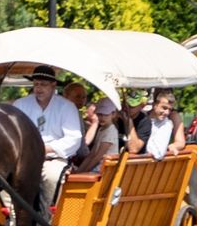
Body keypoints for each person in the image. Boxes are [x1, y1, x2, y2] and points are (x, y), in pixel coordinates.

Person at [12, 64, 82, 204]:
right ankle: (11, 216)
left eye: (43, 84)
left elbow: (74, 138)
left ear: (53, 85)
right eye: (36, 84)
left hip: (54, 158)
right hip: (24, 158)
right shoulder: (20, 104)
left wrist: (46, 149)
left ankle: (47, 218)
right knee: (2, 175)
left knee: (51, 176)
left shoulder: (67, 107)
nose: (38, 88)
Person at [126, 89, 186, 160]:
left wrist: (169, 148)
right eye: (164, 108)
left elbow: (158, 154)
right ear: (155, 105)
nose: (167, 112)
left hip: (146, 164)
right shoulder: (144, 118)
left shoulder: (166, 124)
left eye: (170, 109)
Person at [75, 97, 120, 173]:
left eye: (105, 115)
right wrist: (79, 171)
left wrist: (84, 171)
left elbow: (98, 156)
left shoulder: (111, 131)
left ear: (113, 114)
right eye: (99, 114)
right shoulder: (101, 129)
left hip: (106, 170)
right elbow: (92, 154)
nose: (102, 118)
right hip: (98, 168)